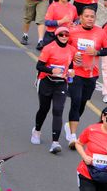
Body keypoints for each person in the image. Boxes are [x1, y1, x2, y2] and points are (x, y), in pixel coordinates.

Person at [65, 7, 107, 149]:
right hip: (75, 73)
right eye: (87, 16)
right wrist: (73, 56)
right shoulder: (73, 31)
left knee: (83, 102)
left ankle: (69, 125)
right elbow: (64, 47)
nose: (90, 18)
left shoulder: (100, 32)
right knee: (76, 100)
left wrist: (97, 52)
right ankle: (73, 136)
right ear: (81, 17)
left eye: (92, 16)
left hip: (91, 74)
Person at [32, 26, 75, 154]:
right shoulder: (49, 48)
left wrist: (71, 72)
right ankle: (37, 131)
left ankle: (55, 143)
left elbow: (70, 65)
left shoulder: (71, 49)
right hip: (46, 81)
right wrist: (51, 70)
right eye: (61, 34)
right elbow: (39, 66)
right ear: (56, 35)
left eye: (66, 35)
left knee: (58, 110)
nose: (64, 37)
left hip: (61, 83)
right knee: (44, 109)